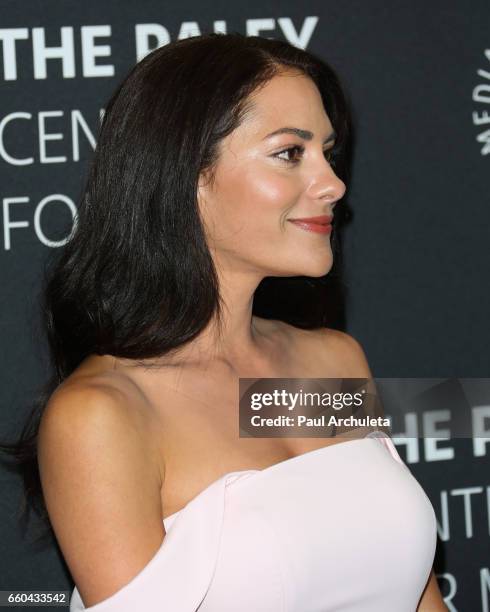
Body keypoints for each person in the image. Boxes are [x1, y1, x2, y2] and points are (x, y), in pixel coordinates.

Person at [5, 32, 447, 610]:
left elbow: (418, 598)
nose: (333, 184)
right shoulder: (103, 416)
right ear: (188, 177)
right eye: (290, 153)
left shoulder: (333, 362)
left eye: (328, 154)